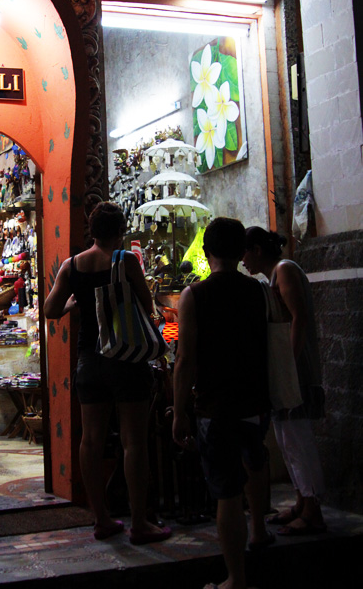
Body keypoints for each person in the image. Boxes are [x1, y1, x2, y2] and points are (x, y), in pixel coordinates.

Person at [43, 202, 172, 545]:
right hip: (126, 359)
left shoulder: (71, 265)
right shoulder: (125, 260)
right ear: (120, 231)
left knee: (90, 439)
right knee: (133, 442)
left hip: (89, 359)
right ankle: (139, 522)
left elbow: (50, 310)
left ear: (91, 229)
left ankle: (100, 518)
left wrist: (74, 304)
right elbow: (146, 305)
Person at [173, 217, 272, 589]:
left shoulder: (194, 295)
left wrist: (179, 411)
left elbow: (185, 359)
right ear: (241, 250)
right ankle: (258, 530)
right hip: (254, 401)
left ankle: (235, 578)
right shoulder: (258, 290)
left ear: (206, 251)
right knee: (255, 464)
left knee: (227, 491)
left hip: (216, 406)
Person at [243, 226, 326, 535]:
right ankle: (302, 501)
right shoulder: (274, 275)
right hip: (287, 370)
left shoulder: (285, 270)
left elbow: (298, 318)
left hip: (295, 370)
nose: (243, 261)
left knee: (297, 440)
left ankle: (313, 510)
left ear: (257, 250)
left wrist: (288, 366)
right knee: (287, 440)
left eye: (245, 253)